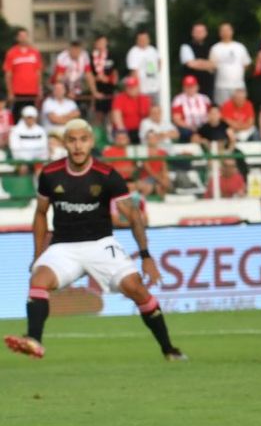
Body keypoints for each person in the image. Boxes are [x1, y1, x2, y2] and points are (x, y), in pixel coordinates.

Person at [5, 118, 185, 361]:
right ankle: (34, 340)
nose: (78, 146)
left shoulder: (107, 175)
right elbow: (40, 214)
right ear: (65, 144)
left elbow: (133, 215)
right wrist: (38, 254)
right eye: (72, 140)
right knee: (38, 279)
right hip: (64, 247)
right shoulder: (50, 174)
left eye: (83, 140)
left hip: (101, 244)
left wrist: (145, 256)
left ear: (91, 142)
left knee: (137, 289)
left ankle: (168, 349)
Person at [208, 22, 250, 105]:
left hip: (238, 86)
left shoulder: (240, 47)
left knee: (240, 110)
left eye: (228, 30)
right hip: (221, 86)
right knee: (223, 110)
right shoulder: (215, 48)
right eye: (223, 30)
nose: (225, 32)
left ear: (232, 31)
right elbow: (211, 67)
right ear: (219, 33)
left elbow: (246, 64)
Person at [4, 28, 44, 114]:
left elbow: (38, 73)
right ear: (17, 38)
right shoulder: (11, 53)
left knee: (32, 113)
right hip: (17, 91)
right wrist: (10, 92)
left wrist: (39, 89)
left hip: (33, 91)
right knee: (17, 114)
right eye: (21, 36)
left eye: (25, 36)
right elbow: (8, 74)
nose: (23, 38)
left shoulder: (35, 52)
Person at [179, 23, 215, 100]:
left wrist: (198, 62)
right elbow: (191, 64)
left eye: (201, 31)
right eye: (197, 31)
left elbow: (214, 65)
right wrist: (207, 65)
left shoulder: (212, 46)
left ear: (206, 33)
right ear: (192, 33)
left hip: (208, 86)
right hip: (191, 86)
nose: (199, 33)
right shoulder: (186, 46)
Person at [110, 77, 152, 143]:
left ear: (138, 87)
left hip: (140, 130)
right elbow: (117, 117)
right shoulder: (120, 98)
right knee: (122, 138)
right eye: (128, 87)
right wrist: (123, 132)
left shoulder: (145, 99)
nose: (130, 89)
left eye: (133, 87)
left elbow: (149, 116)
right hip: (125, 130)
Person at [170, 75, 211, 142]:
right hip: (186, 128)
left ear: (197, 86)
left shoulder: (205, 99)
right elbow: (176, 119)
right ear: (184, 88)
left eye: (192, 86)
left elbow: (211, 115)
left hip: (203, 126)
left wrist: (204, 126)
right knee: (184, 133)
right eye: (187, 87)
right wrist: (190, 127)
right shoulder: (178, 100)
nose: (190, 89)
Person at [126, 30, 162, 102]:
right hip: (142, 90)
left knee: (155, 110)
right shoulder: (134, 52)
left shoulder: (152, 50)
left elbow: (159, 62)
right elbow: (133, 72)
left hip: (154, 88)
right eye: (141, 39)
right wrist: (136, 88)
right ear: (137, 40)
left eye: (145, 39)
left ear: (149, 39)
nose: (143, 41)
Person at [89, 35, 118, 123]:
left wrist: (108, 79)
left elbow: (115, 74)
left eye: (103, 42)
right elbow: (88, 75)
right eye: (100, 42)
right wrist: (96, 79)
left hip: (110, 91)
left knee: (112, 117)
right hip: (97, 92)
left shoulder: (111, 55)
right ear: (96, 44)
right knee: (98, 119)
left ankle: (112, 135)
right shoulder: (91, 57)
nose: (102, 45)